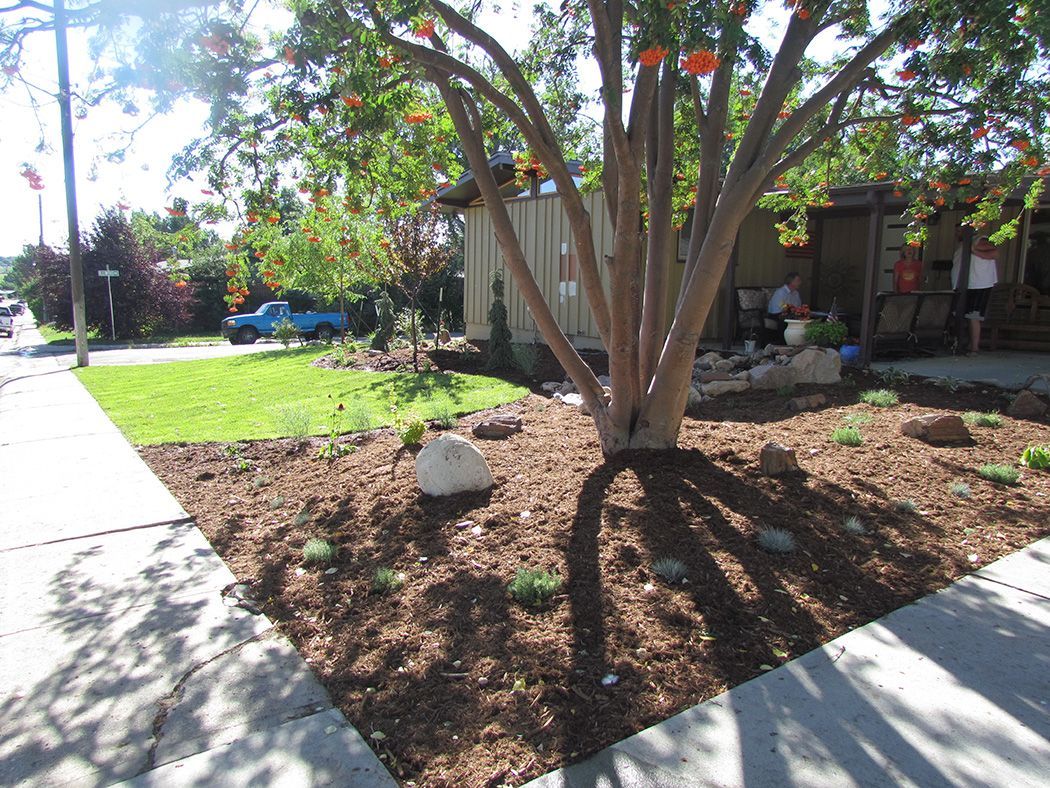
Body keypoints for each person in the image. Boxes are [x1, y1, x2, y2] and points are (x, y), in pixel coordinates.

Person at [951, 232, 999, 356]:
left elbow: (994, 253)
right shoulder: (962, 245)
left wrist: (974, 250)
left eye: (961, 229)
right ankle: (964, 343)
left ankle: (974, 348)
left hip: (978, 285)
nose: (958, 233)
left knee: (973, 316)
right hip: (964, 286)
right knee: (962, 315)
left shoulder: (980, 239)